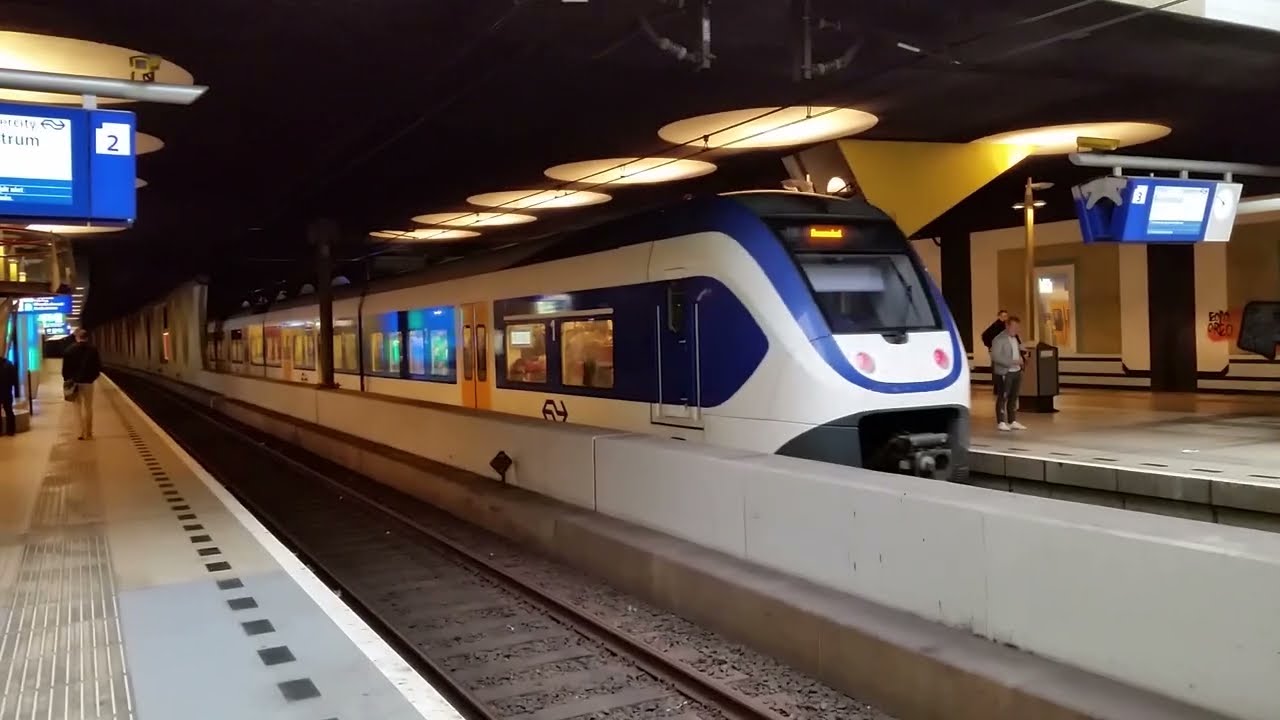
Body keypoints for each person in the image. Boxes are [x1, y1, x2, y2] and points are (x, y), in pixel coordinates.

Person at [62, 328, 102, 440]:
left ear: (77, 337)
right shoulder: (93, 350)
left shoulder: (69, 350)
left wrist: (67, 380)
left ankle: (80, 433)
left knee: (77, 408)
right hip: (88, 382)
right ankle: (88, 432)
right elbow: (98, 367)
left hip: (74, 383)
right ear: (87, 338)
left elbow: (65, 370)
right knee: (88, 407)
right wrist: (93, 378)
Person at [990, 315, 1027, 432]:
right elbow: (995, 356)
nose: (1016, 330)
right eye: (1014, 327)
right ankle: (1001, 421)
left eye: (1018, 327)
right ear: (1007, 326)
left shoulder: (1016, 338)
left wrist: (1023, 358)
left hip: (1016, 371)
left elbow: (1017, 351)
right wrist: (1012, 362)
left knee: (1014, 397)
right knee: (1003, 396)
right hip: (1005, 372)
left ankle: (1012, 420)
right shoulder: (998, 339)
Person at [0, 353, 17, 437]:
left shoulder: (9, 364)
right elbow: (14, 380)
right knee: (9, 412)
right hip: (7, 392)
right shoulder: (9, 364)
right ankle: (11, 431)